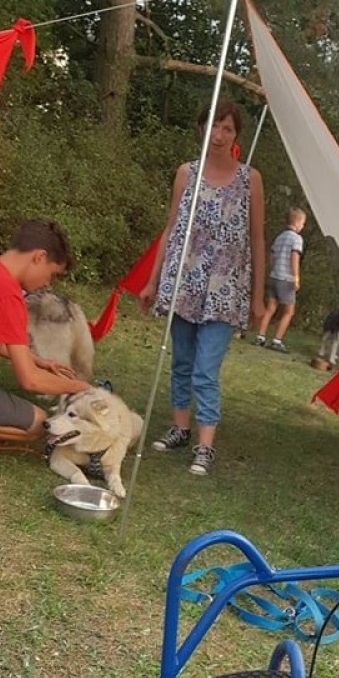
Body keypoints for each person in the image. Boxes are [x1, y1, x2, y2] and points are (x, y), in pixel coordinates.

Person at [141, 99, 265, 477]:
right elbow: (171, 227)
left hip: (225, 289)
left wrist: (258, 296)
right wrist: (152, 280)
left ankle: (205, 445)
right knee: (181, 360)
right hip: (184, 282)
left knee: (205, 369)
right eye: (214, 126)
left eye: (227, 128)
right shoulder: (186, 173)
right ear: (201, 129)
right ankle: (180, 427)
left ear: (236, 136)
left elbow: (257, 238)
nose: (220, 135)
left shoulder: (250, 179)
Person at [0, 218, 90, 443]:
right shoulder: (6, 294)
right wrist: (82, 388)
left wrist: (37, 360)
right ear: (39, 257)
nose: (47, 283)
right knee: (37, 424)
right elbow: (30, 380)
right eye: (51, 274)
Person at [253, 206, 307, 354]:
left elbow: (272, 256)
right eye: (303, 224)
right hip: (286, 278)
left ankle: (260, 336)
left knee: (270, 308)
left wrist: (273, 269)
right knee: (289, 311)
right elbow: (294, 257)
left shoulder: (280, 237)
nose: (302, 227)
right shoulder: (297, 239)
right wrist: (296, 277)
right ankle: (277, 340)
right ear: (297, 222)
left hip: (274, 276)